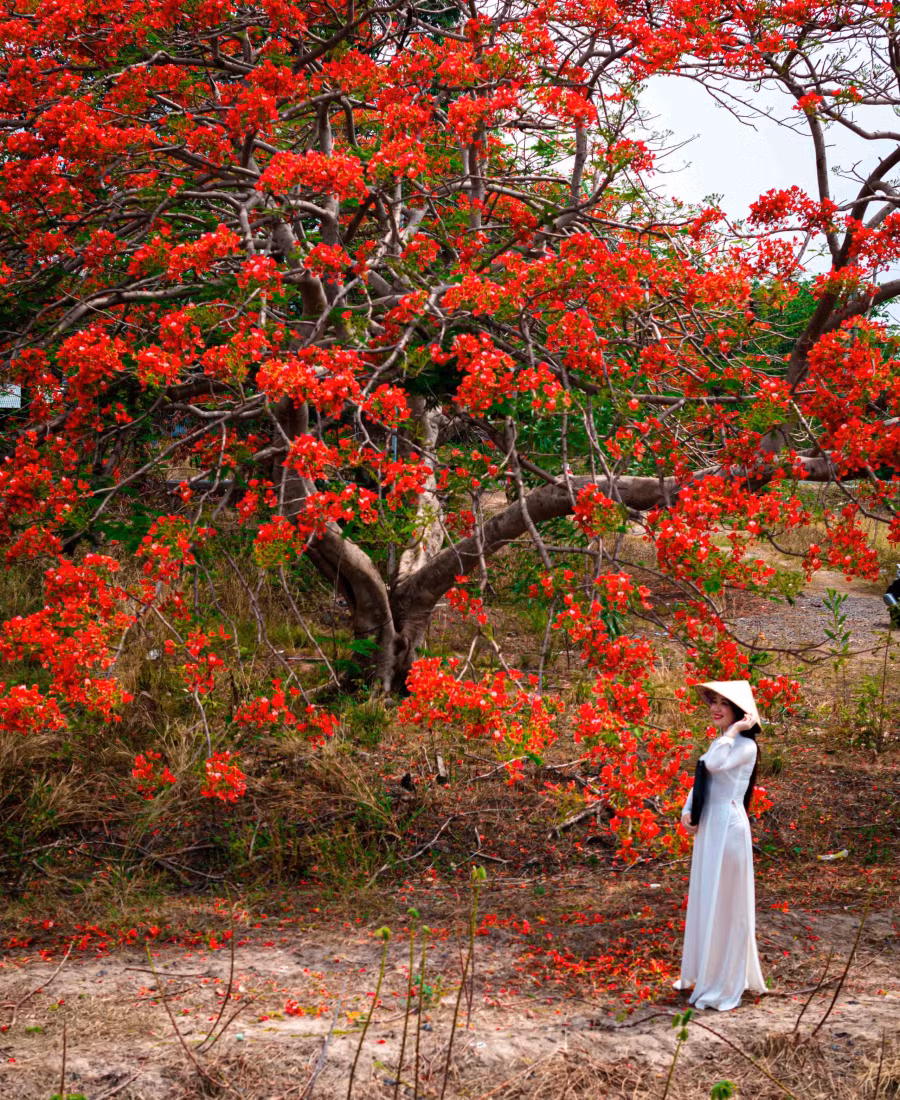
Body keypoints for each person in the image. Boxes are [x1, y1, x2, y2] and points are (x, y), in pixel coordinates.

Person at [674, 680, 767, 1011]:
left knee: (725, 902)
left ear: (740, 712)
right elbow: (703, 777)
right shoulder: (722, 743)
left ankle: (724, 981)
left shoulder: (743, 746)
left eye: (723, 704)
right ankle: (705, 971)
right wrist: (688, 810)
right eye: (712, 701)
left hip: (728, 830)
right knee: (706, 896)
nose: (715, 708)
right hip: (710, 828)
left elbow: (713, 765)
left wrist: (735, 731)